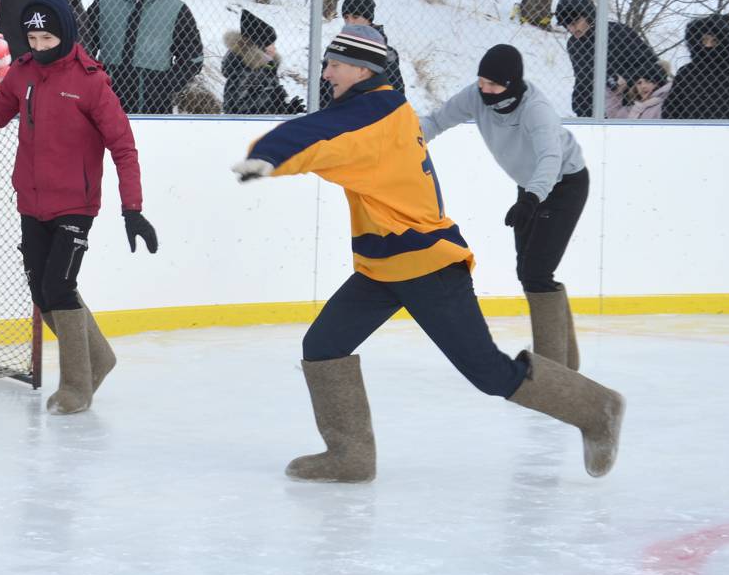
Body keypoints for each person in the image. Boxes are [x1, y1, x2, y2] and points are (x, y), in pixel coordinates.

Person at [231, 25, 625, 483]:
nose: (327, 71)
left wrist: (271, 156)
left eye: (335, 64)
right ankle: (350, 456)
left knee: (489, 373)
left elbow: (323, 134)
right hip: (384, 263)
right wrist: (274, 156)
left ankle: (598, 409)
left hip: (426, 263)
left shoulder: (374, 113)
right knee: (322, 346)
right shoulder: (383, 107)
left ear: (362, 70)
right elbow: (336, 130)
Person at [0, 0, 156, 415]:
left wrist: (131, 209)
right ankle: (100, 358)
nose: (40, 49)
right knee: (43, 295)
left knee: (60, 287)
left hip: (75, 205)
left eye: (49, 40)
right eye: (34, 40)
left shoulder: (91, 81)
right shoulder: (21, 73)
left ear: (65, 35)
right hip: (32, 200)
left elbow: (124, 147)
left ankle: (77, 388)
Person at [418, 44, 590, 369]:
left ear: (511, 84)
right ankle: (566, 362)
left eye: (493, 85)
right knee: (528, 271)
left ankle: (552, 368)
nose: (484, 90)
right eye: (481, 81)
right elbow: (437, 121)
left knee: (536, 272)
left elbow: (550, 159)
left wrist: (531, 198)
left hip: (564, 184)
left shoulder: (536, 110)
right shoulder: (475, 95)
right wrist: (407, 143)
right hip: (530, 188)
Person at [80, 0, 202, 115]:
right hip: (106, 103)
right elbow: (84, 46)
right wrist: (95, 78)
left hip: (153, 107)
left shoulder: (176, 9)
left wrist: (165, 85)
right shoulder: (104, 2)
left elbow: (193, 59)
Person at [553, 0, 661, 118]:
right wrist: (579, 105)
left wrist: (626, 78)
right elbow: (582, 80)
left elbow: (654, 66)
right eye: (567, 25)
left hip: (627, 110)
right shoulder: (574, 45)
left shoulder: (619, 33)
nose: (572, 29)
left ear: (588, 15)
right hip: (589, 113)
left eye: (575, 22)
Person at [665, 14, 729, 121]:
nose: (708, 46)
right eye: (704, 40)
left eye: (714, 41)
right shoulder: (686, 73)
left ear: (724, 42)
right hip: (691, 134)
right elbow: (670, 110)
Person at [221, 9, 297, 115]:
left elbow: (266, 102)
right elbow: (236, 108)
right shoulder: (244, 69)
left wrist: (286, 109)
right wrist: (271, 97)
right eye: (271, 44)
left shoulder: (267, 67)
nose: (274, 48)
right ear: (260, 45)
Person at [338, 0, 403, 98]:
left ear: (368, 19)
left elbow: (397, 92)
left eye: (355, 16)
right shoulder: (337, 49)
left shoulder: (386, 54)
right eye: (346, 17)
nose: (350, 22)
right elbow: (324, 89)